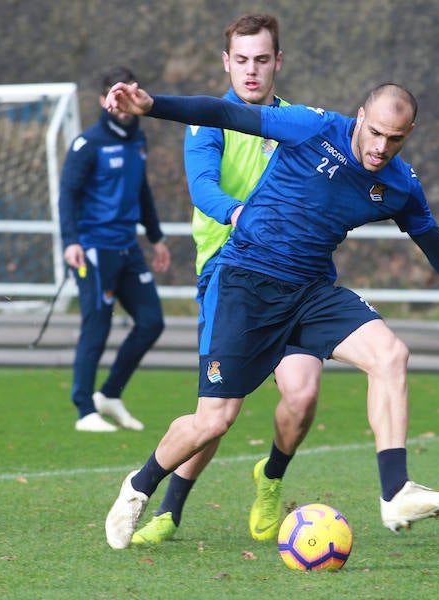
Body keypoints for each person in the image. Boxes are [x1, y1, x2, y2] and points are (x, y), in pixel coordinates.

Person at [102, 80, 439, 550]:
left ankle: (395, 492)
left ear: (409, 133)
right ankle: (138, 487)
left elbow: (435, 244)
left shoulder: (400, 185)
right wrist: (153, 106)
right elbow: (226, 115)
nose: (381, 147)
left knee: (390, 355)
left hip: (310, 292)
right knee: (214, 421)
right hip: (246, 283)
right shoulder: (313, 127)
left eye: (394, 138)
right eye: (375, 133)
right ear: (360, 117)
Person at [130, 14, 324, 547]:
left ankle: (271, 478)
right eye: (241, 60)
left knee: (303, 393)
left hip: (293, 275)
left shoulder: (298, 123)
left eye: (261, 59)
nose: (251, 70)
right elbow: (203, 189)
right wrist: (243, 215)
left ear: (278, 61)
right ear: (226, 63)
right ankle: (170, 510)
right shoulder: (208, 121)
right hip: (228, 274)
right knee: (219, 411)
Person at [58, 66, 170, 433]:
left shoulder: (138, 140)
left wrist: (156, 237)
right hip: (93, 248)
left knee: (152, 322)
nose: (122, 104)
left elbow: (142, 191)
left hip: (127, 247)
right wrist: (71, 241)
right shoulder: (88, 144)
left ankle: (109, 394)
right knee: (98, 324)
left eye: (129, 95)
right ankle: (84, 409)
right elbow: (67, 196)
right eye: (115, 97)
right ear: (103, 100)